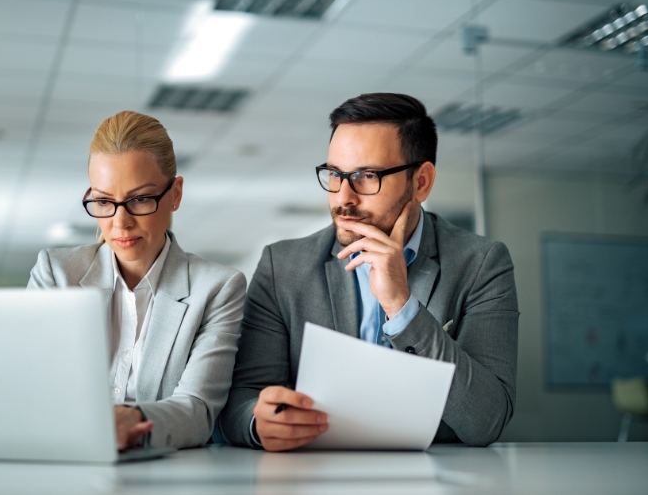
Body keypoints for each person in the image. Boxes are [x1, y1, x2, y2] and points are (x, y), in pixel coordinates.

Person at [219, 93, 519, 451]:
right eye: (335, 174)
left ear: (421, 182)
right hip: (315, 476)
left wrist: (402, 307)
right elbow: (241, 401)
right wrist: (259, 421)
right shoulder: (282, 267)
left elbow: (487, 420)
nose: (343, 197)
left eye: (366, 176)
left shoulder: (481, 264)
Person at [28, 111, 246, 450]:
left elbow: (198, 410)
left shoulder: (216, 288)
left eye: (140, 199)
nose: (121, 222)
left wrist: (132, 422)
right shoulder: (57, 274)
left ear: (175, 193)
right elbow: (30, 385)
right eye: (103, 201)